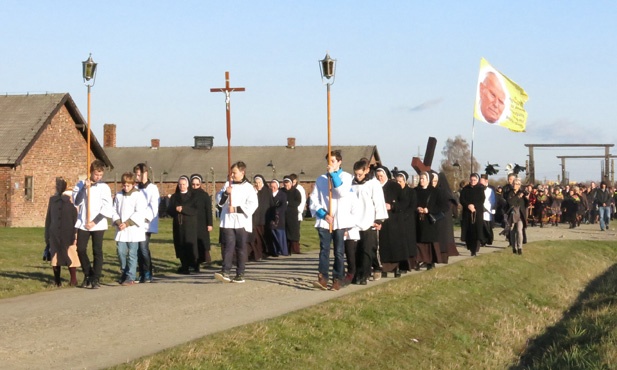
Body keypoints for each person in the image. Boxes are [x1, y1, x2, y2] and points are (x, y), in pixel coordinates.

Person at [309, 150, 354, 291]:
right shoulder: (320, 179)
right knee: (324, 250)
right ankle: (323, 278)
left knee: (339, 251)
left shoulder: (347, 177)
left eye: (333, 161)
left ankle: (337, 278)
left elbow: (341, 192)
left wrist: (333, 174)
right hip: (325, 220)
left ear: (339, 162)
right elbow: (314, 200)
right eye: (328, 161)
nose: (330, 164)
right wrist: (323, 214)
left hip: (340, 220)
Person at [214, 161, 258, 283]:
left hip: (241, 222)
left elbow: (253, 204)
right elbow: (219, 202)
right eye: (231, 172)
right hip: (228, 220)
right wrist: (225, 193)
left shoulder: (248, 188)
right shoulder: (228, 184)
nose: (232, 175)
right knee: (228, 245)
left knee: (240, 247)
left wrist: (237, 209)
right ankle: (225, 271)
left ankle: (240, 273)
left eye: (234, 172)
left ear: (242, 172)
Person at [72, 159, 113, 289]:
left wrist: (94, 222)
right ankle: (88, 273)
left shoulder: (104, 187)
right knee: (81, 249)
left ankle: (96, 278)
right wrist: (84, 189)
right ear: (91, 172)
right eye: (96, 175)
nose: (98, 177)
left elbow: (107, 208)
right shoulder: (80, 185)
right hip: (83, 222)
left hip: (98, 224)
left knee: (97, 250)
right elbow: (76, 202)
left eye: (100, 175)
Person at [350, 159, 388, 285]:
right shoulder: (352, 183)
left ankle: (364, 274)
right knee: (356, 250)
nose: (357, 177)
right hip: (355, 222)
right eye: (356, 174)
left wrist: (378, 219)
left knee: (367, 249)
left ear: (366, 170)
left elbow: (379, 202)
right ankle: (355, 274)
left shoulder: (373, 184)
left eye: (360, 174)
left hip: (369, 221)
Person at [112, 172, 148, 285]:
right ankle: (124, 271)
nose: (126, 188)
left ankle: (131, 276)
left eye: (128, 185)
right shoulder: (118, 195)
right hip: (121, 229)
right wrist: (118, 222)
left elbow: (140, 211)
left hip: (133, 229)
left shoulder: (138, 195)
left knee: (132, 253)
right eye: (124, 185)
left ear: (133, 184)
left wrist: (128, 223)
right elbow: (114, 210)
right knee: (121, 251)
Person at [45, 179, 79, 287]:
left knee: (71, 254)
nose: (58, 186)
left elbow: (77, 218)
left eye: (61, 184)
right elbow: (49, 218)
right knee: (55, 257)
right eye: (57, 184)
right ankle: (57, 280)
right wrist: (47, 235)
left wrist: (76, 234)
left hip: (69, 231)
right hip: (55, 231)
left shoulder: (73, 200)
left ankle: (73, 279)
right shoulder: (53, 199)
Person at [133, 163, 160, 283]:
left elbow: (154, 206)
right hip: (135, 223)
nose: (137, 177)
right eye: (136, 174)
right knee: (138, 249)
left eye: (139, 175)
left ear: (145, 174)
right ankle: (142, 272)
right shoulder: (136, 188)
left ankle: (148, 272)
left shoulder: (152, 188)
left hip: (146, 223)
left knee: (143, 248)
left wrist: (145, 217)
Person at [167, 176, 199, 274]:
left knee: (190, 244)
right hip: (178, 225)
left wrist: (183, 209)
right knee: (180, 244)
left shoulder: (193, 196)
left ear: (187, 185)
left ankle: (194, 264)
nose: (182, 186)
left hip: (190, 224)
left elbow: (196, 209)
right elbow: (169, 210)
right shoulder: (174, 197)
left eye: (184, 184)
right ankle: (184, 266)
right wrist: (175, 209)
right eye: (180, 184)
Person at [375, 165, 400, 279]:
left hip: (393, 219)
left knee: (393, 244)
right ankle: (384, 268)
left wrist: (392, 206)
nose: (380, 178)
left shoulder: (394, 186)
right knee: (382, 245)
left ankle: (396, 268)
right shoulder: (374, 187)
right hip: (379, 219)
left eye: (381, 176)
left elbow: (402, 202)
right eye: (378, 176)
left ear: (386, 176)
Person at [414, 171, 443, 269]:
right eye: (420, 179)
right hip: (418, 219)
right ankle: (420, 260)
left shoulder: (435, 191)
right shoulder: (415, 191)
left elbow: (441, 206)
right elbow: (412, 203)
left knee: (430, 241)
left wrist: (429, 210)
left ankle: (430, 262)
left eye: (423, 179)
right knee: (419, 241)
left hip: (430, 220)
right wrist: (417, 208)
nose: (421, 181)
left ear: (428, 180)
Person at [458, 173, 486, 257]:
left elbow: (482, 199)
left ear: (477, 180)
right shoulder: (465, 189)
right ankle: (469, 246)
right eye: (472, 180)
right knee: (468, 231)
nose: (473, 182)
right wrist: (468, 206)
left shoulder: (480, 189)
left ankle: (475, 250)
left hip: (477, 213)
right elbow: (462, 199)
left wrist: (474, 206)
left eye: (474, 180)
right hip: (467, 212)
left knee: (476, 231)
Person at [434, 172, 459, 260]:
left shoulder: (441, 192)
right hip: (446, 218)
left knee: (442, 237)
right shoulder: (449, 192)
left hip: (441, 217)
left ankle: (441, 256)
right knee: (445, 237)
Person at [190, 174, 213, 269]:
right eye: (193, 184)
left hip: (202, 222)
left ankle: (202, 260)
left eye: (197, 184)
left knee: (201, 241)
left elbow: (208, 210)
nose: (195, 187)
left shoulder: (204, 195)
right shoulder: (188, 195)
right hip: (190, 222)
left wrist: (210, 224)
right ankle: (193, 262)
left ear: (200, 184)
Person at [247, 174, 272, 261]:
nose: (257, 184)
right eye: (256, 183)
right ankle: (257, 254)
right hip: (254, 218)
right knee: (255, 238)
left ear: (262, 182)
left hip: (265, 218)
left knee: (264, 237)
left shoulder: (267, 191)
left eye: (259, 182)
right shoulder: (252, 191)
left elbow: (271, 204)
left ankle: (265, 252)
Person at [266, 179, 288, 256]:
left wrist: (277, 210)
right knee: (272, 233)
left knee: (279, 233)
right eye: (271, 187)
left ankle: (282, 250)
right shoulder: (268, 194)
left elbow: (284, 205)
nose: (272, 188)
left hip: (279, 217)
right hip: (270, 216)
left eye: (274, 187)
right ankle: (274, 250)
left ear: (277, 187)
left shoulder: (282, 194)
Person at [506, 180, 527, 255]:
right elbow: (510, 202)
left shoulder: (522, 193)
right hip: (512, 214)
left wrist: (526, 197)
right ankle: (513, 247)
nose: (515, 185)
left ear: (519, 185)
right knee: (512, 231)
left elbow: (525, 203)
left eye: (517, 184)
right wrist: (518, 197)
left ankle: (520, 247)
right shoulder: (510, 193)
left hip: (520, 214)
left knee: (519, 230)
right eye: (514, 184)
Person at [283, 176, 302, 255]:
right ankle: (286, 249)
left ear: (291, 184)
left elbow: (298, 201)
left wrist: (289, 203)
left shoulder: (296, 192)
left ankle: (295, 249)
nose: (286, 186)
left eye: (288, 184)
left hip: (293, 214)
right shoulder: (282, 191)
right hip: (283, 215)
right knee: (285, 231)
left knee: (293, 232)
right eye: (285, 184)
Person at [479, 174, 496, 245]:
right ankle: (482, 240)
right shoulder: (479, 188)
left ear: (486, 181)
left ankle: (489, 239)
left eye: (482, 181)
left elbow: (492, 200)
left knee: (487, 226)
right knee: (481, 226)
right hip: (480, 210)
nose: (481, 182)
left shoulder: (490, 190)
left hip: (487, 211)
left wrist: (487, 208)